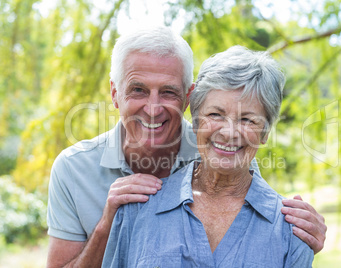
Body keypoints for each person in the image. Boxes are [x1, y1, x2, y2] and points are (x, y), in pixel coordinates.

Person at [46, 27, 326, 267]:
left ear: (188, 99)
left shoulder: (224, 152)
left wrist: (303, 232)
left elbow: (252, 206)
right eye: (138, 89)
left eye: (168, 91)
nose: (153, 108)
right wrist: (108, 223)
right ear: (115, 93)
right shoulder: (75, 169)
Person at [103, 45, 314, 267]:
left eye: (247, 120)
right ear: (195, 123)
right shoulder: (136, 210)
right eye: (215, 114)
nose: (228, 132)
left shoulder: (293, 230)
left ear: (265, 132)